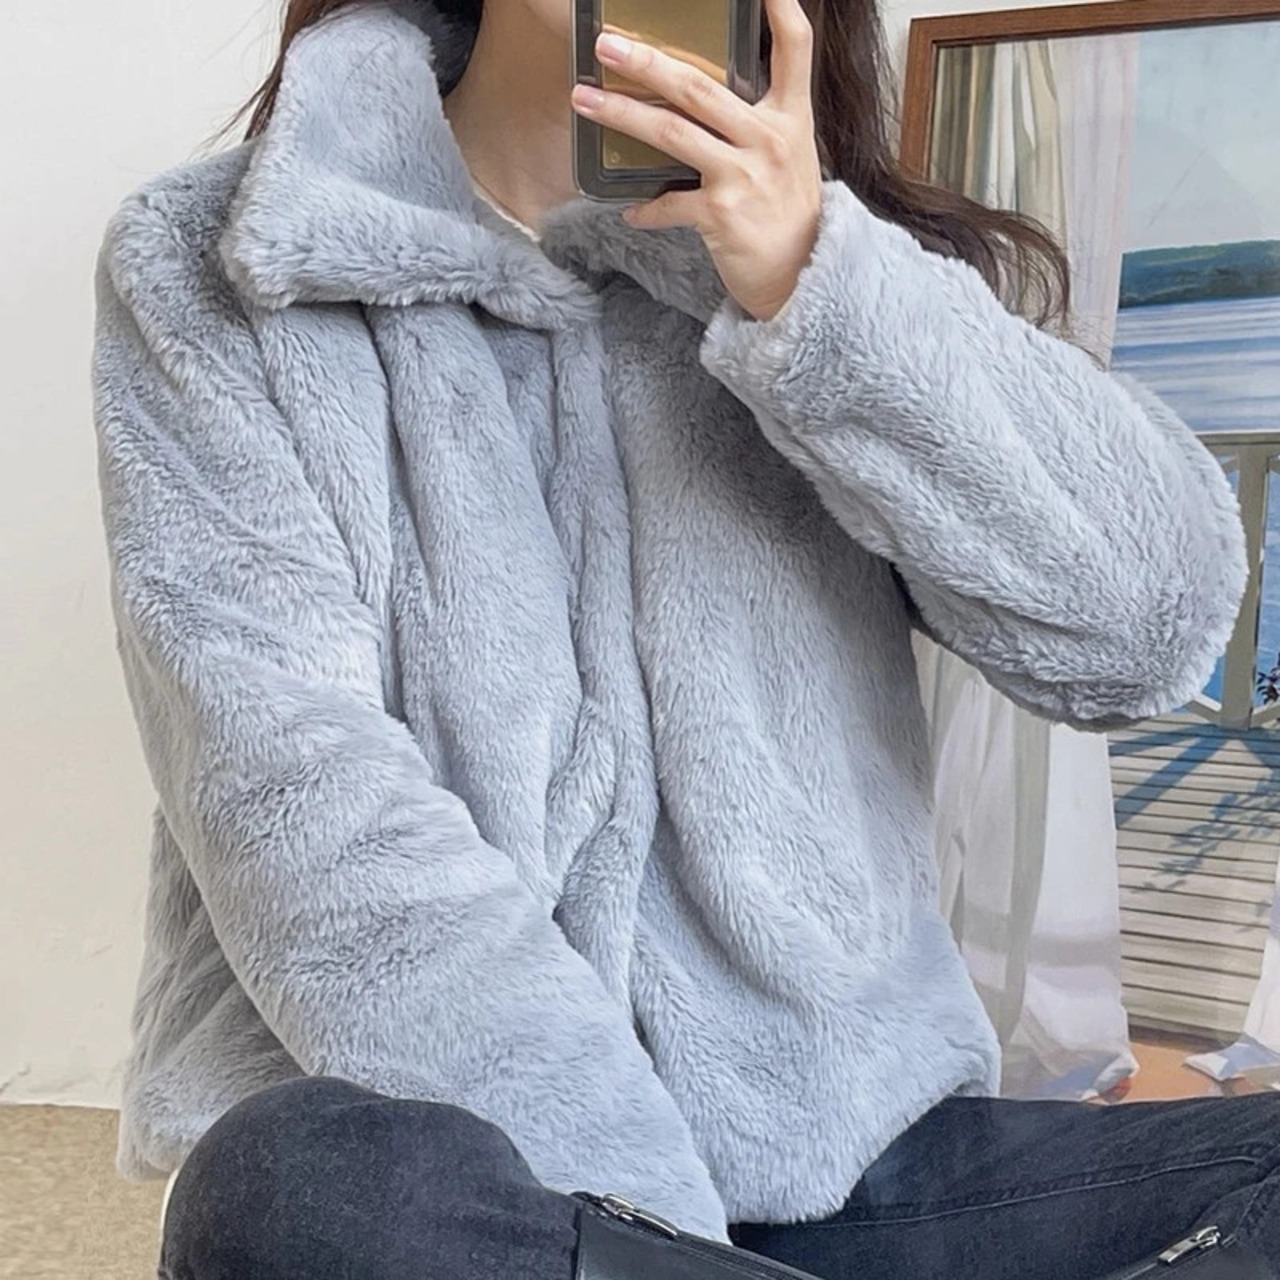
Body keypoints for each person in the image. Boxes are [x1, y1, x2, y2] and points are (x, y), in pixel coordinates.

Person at [90, 0, 1276, 1276]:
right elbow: (299, 803)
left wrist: (818, 287)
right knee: (289, 1185)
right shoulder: (215, 260)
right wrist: (645, 1234)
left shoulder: (836, 267)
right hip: (486, 1189)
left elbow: (1144, 629)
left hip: (858, 1157)